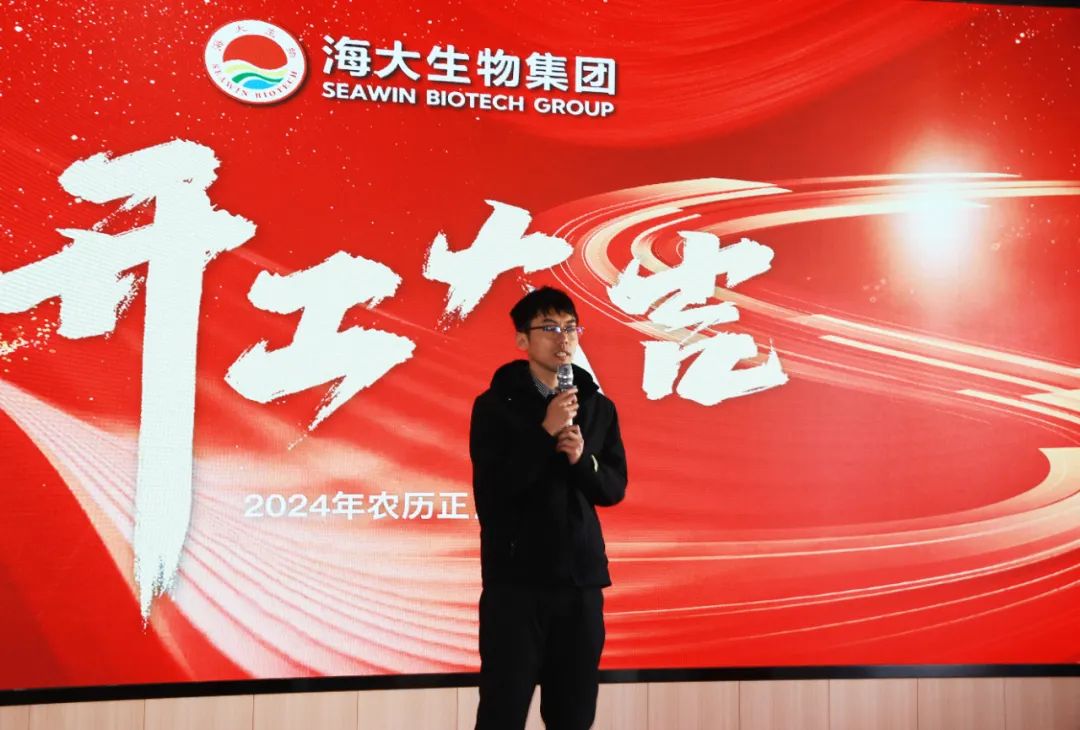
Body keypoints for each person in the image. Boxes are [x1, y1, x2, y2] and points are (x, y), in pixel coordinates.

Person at [470, 286, 628, 730]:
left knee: (573, 715)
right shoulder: (494, 406)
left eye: (570, 328)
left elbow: (612, 487)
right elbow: (494, 492)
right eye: (549, 328)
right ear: (522, 339)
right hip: (516, 585)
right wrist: (544, 432)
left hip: (580, 583)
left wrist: (582, 459)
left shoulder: (597, 406)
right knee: (502, 711)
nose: (563, 339)